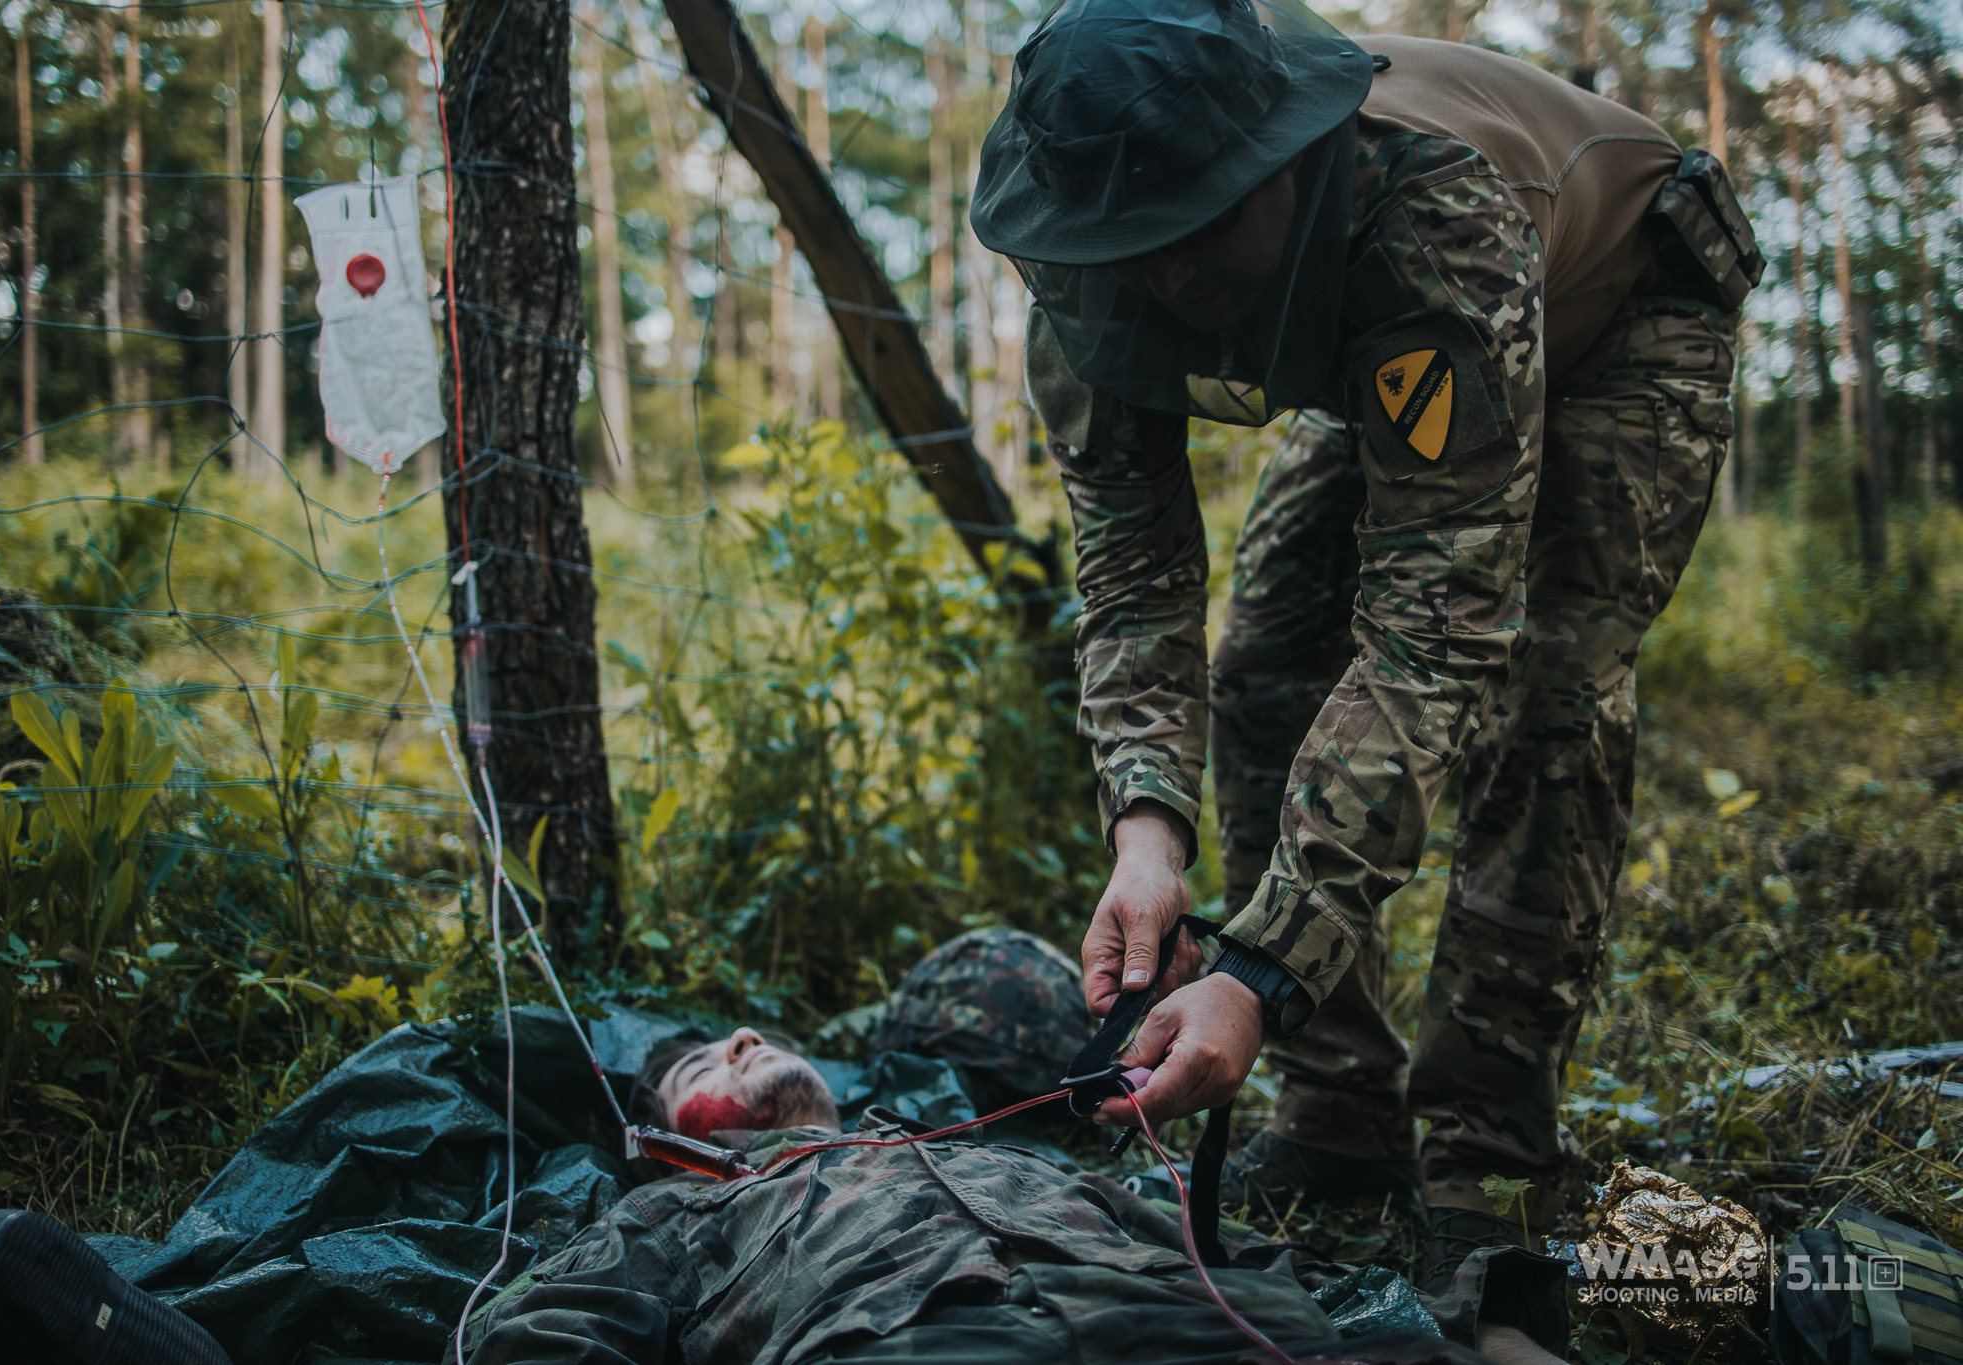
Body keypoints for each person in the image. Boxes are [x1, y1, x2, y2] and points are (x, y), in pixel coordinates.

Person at [967, 0, 1758, 1287]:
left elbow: (1436, 632)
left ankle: (1486, 1159)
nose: (1163, 277)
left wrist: (1260, 969)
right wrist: (1146, 837)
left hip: (1612, 314)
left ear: (1283, 164)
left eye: (1195, 229)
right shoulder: (1089, 255)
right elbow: (1133, 575)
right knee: (1267, 657)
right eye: (1130, 246)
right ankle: (1336, 1118)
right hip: (1373, 348)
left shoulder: (1429, 214)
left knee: (1547, 696)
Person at [450, 1024, 1569, 1365]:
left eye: (745, 1038)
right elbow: (546, 1339)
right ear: (661, 1146)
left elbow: (1286, 1277)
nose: (737, 1041)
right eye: (699, 1069)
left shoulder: (1020, 1161)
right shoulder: (670, 1214)